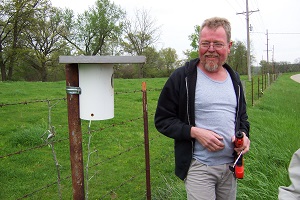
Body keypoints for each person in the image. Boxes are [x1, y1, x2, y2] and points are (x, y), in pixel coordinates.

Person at [154, 17, 250, 200]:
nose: (211, 49)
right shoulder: (182, 77)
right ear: (199, 44)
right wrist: (195, 132)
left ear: (229, 46)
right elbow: (162, 120)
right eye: (205, 43)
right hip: (199, 167)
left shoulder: (235, 79)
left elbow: (243, 119)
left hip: (230, 167)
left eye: (218, 44)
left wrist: (244, 137)